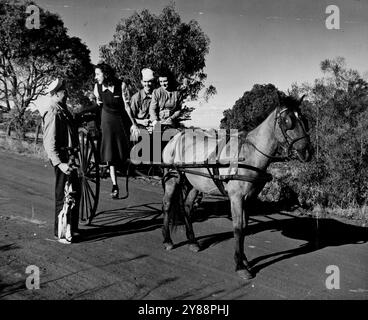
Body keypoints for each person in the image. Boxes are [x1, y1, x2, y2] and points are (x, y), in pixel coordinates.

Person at [42, 78, 81, 243]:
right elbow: (49, 142)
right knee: (63, 195)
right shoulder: (53, 111)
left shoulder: (63, 110)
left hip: (71, 157)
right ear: (56, 93)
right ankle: (61, 233)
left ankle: (71, 228)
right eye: (64, 91)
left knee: (73, 193)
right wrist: (59, 163)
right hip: (63, 159)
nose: (67, 93)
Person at [93, 63, 139, 199]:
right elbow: (99, 104)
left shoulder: (122, 85)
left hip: (120, 118)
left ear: (105, 74)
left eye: (98, 74)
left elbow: (127, 107)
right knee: (110, 154)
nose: (96, 77)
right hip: (107, 119)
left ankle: (127, 164)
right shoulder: (97, 87)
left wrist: (134, 124)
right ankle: (114, 185)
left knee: (123, 150)